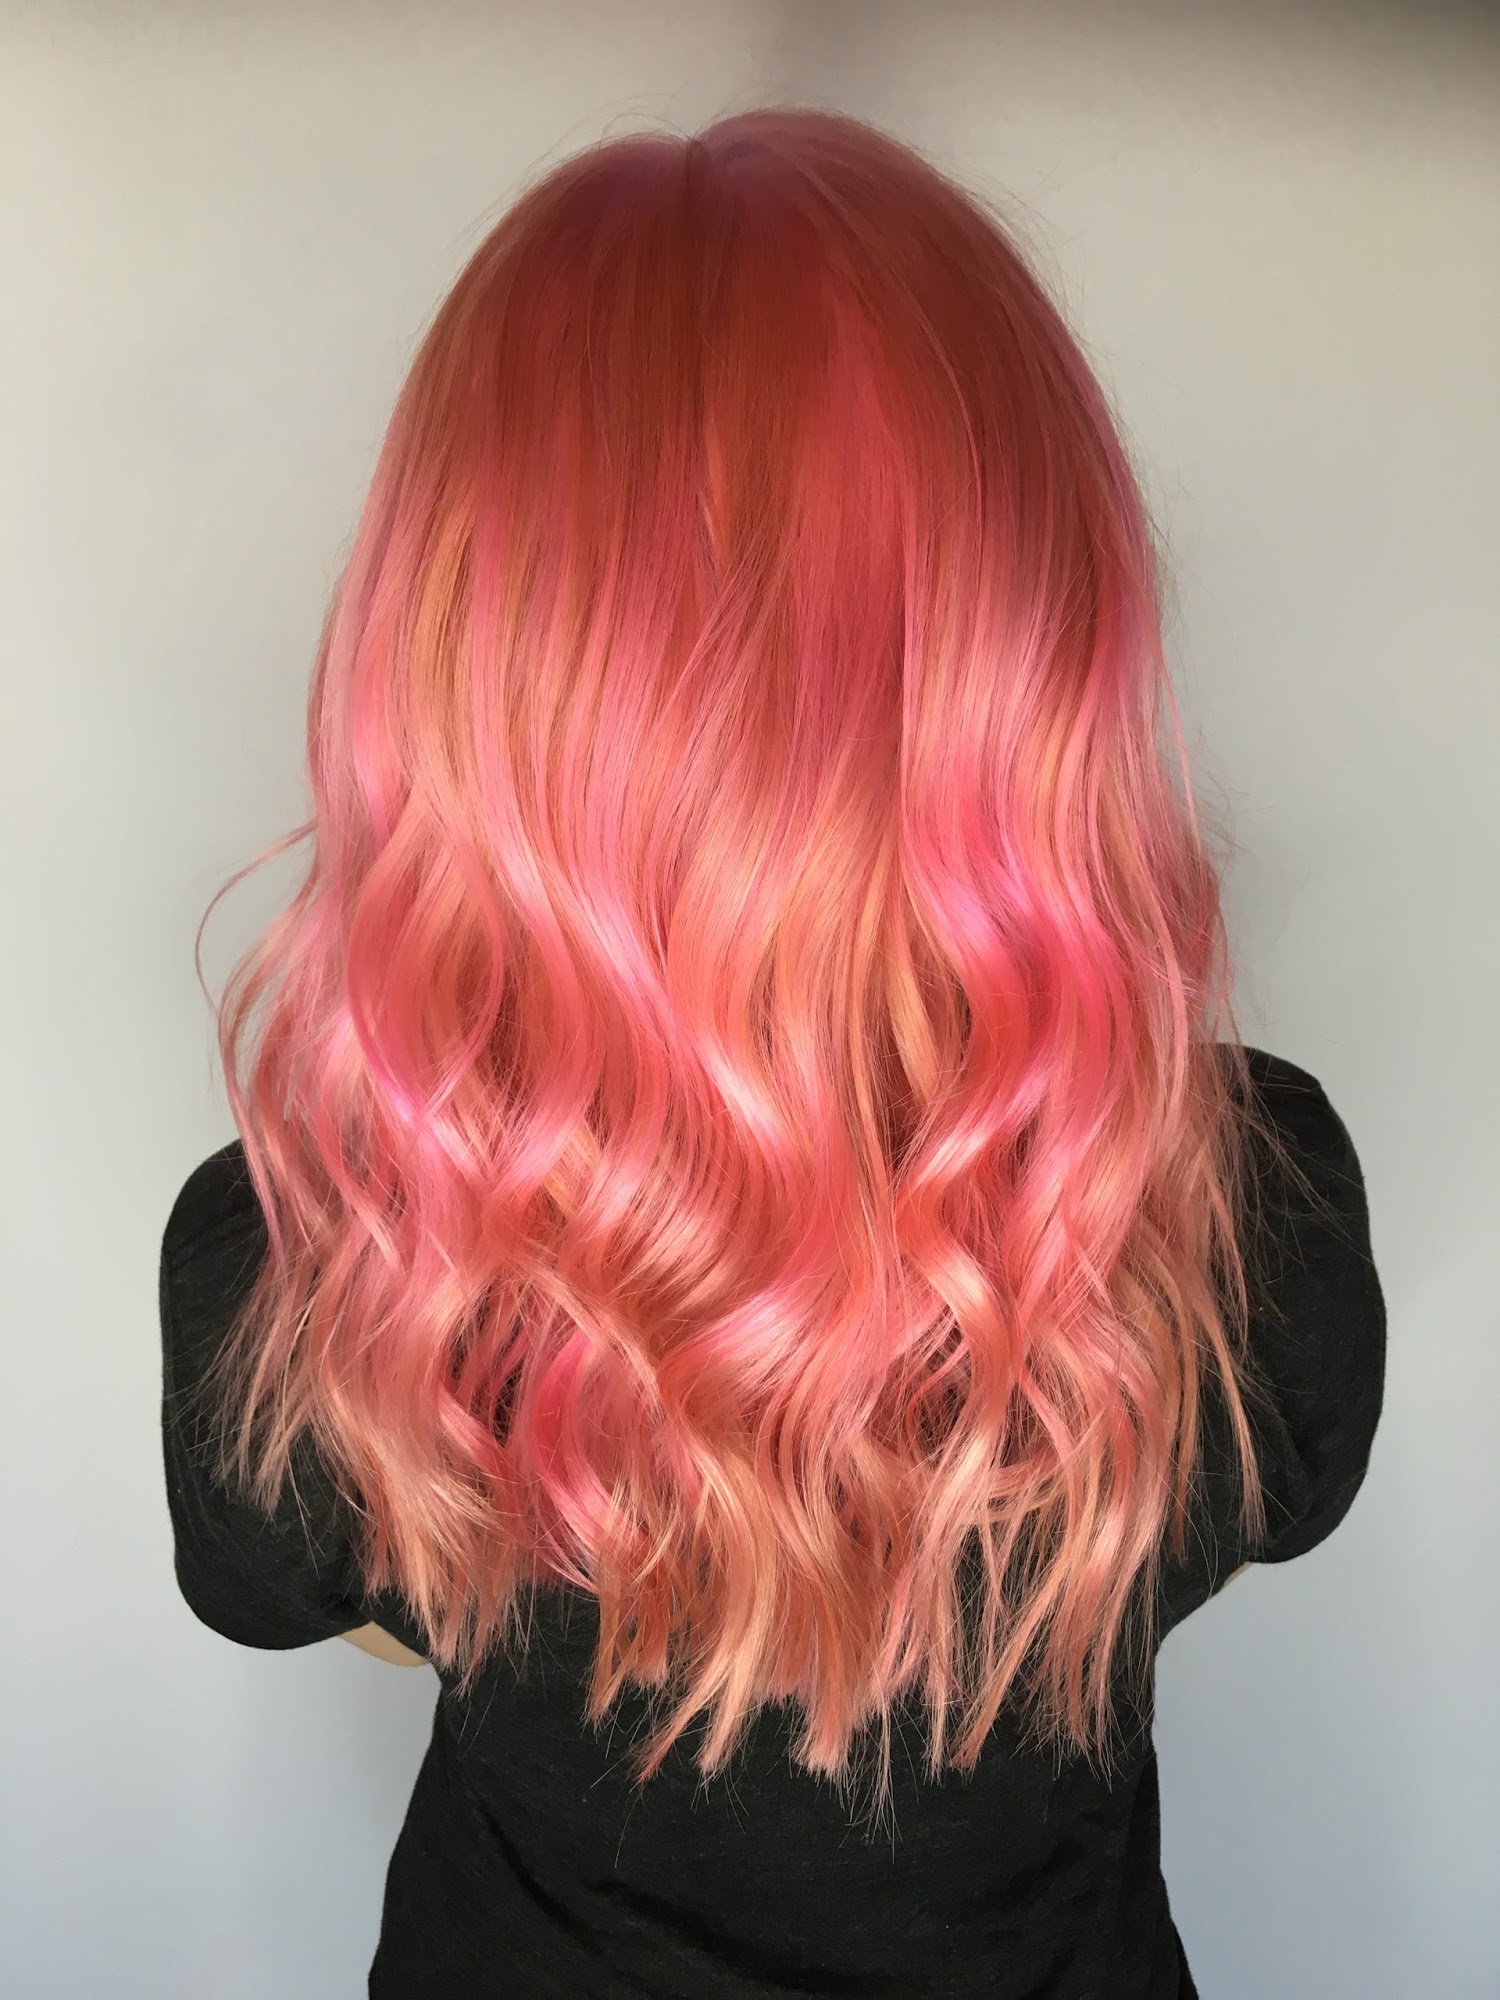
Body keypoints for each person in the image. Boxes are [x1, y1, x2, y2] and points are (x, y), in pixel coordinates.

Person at [159, 107, 1387, 2000]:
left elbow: (359, 1614)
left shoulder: (302, 1265)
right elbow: (1222, 1534)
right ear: (1042, 635)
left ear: (459, 649)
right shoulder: (1246, 1219)